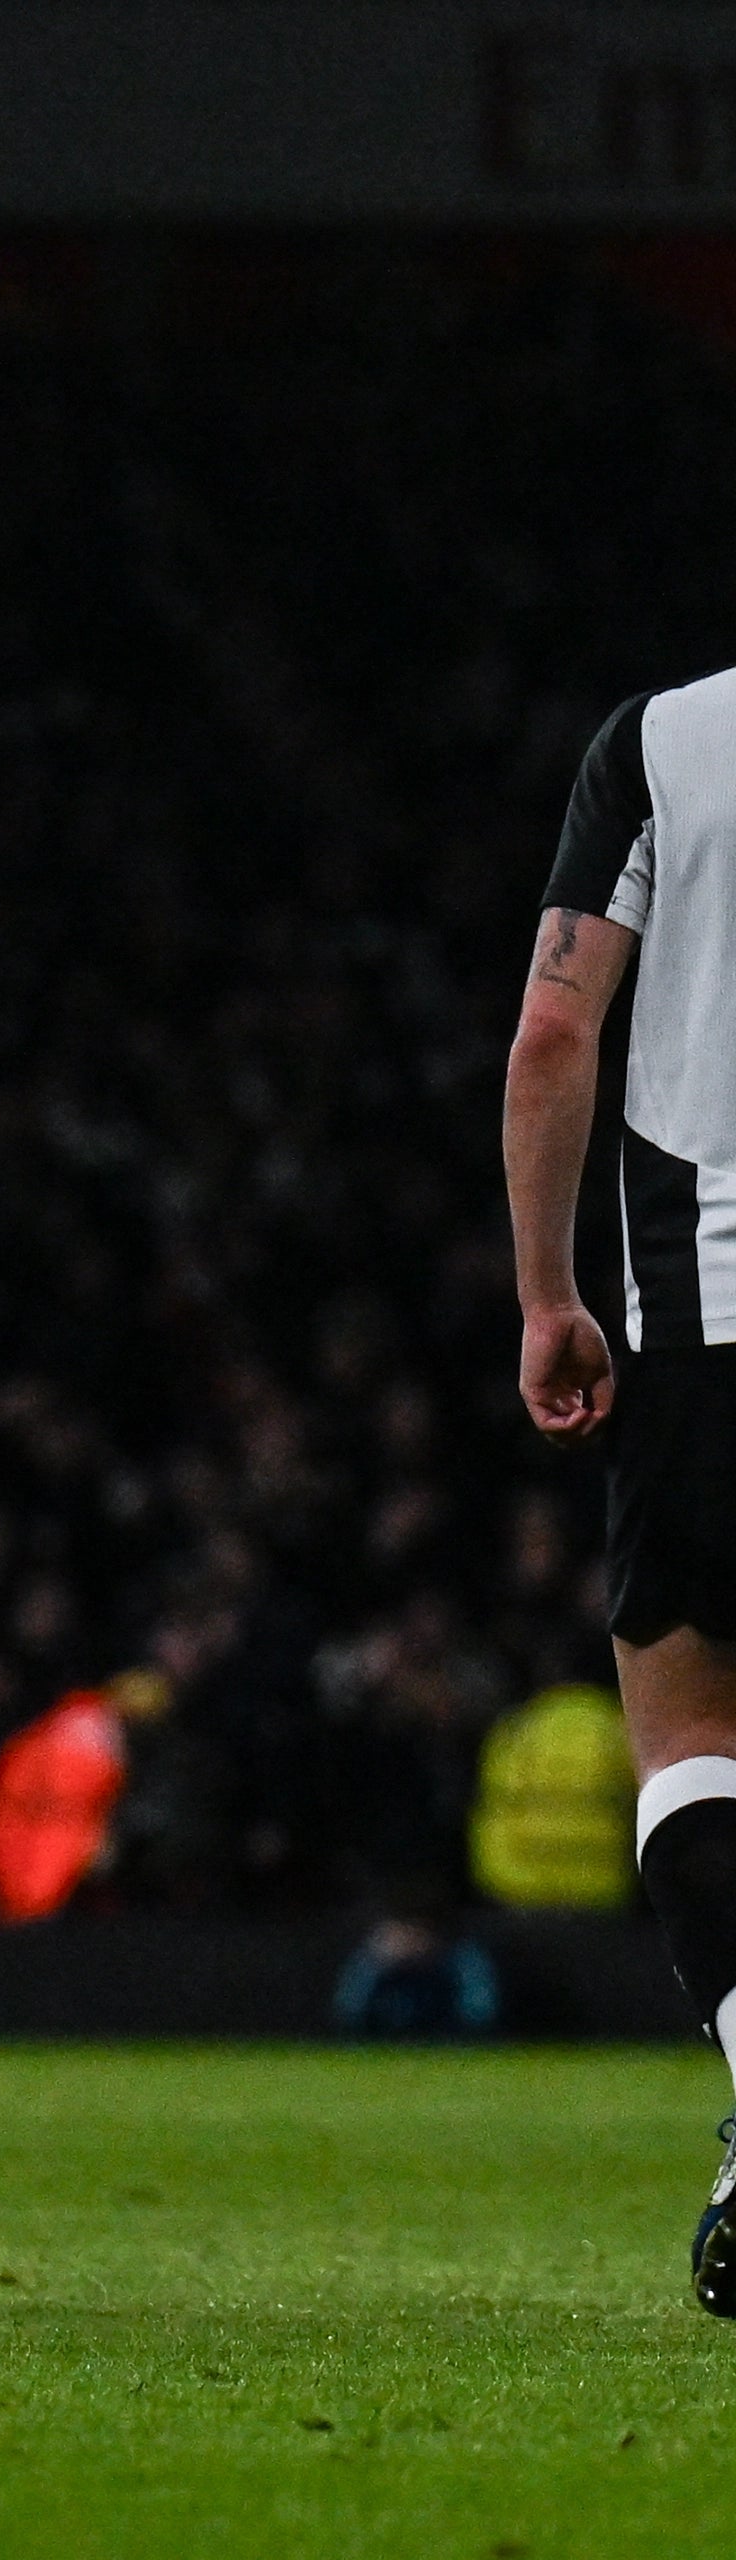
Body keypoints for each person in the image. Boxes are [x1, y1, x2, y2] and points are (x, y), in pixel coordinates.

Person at [505, 671, 736, 2316]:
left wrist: (546, 1294)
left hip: (707, 1323)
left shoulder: (666, 741)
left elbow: (554, 1029)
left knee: (690, 1726)